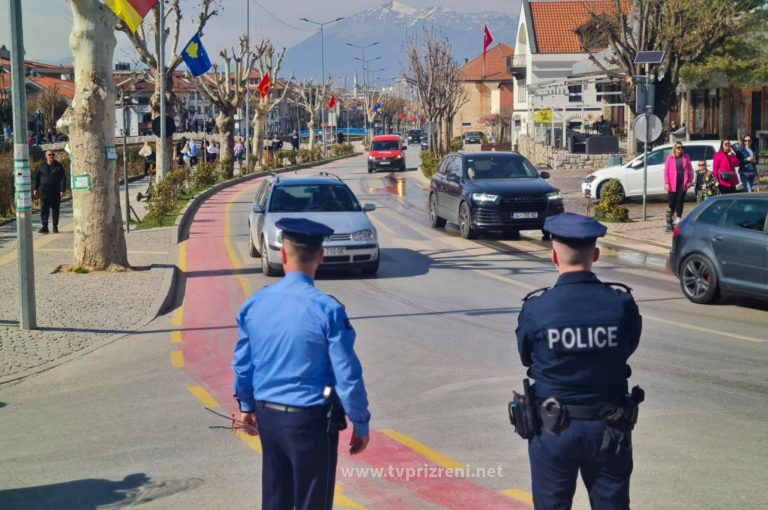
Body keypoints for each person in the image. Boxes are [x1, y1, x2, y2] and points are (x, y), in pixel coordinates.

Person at [231, 218, 371, 510]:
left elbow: (242, 365)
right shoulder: (328, 310)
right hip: (310, 421)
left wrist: (246, 406)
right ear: (320, 257)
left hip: (268, 415)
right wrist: (360, 422)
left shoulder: (254, 304)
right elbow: (348, 375)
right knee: (313, 501)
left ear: (282, 254)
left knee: (275, 497)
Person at [513, 212, 642, 510]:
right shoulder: (621, 304)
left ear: (553, 257)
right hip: (610, 427)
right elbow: (628, 347)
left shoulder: (537, 309)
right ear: (595, 254)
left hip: (553, 428)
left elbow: (525, 356)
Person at [32, 150, 67, 234]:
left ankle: (55, 226)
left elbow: (63, 179)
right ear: (46, 156)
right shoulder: (41, 166)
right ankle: (45, 227)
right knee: (44, 209)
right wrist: (35, 189)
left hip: (55, 191)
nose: (51, 156)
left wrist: (62, 190)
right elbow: (37, 178)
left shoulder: (59, 166)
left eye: (53, 154)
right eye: (49, 155)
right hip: (44, 191)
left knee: (55, 210)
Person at [663, 142, 694, 231]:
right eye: (678, 147)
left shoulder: (686, 157)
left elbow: (690, 170)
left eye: (681, 147)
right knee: (672, 202)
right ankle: (670, 219)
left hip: (682, 183)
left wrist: (690, 181)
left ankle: (679, 218)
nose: (680, 149)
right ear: (675, 148)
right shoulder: (670, 158)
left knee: (680, 201)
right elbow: (666, 171)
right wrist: (666, 183)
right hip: (672, 183)